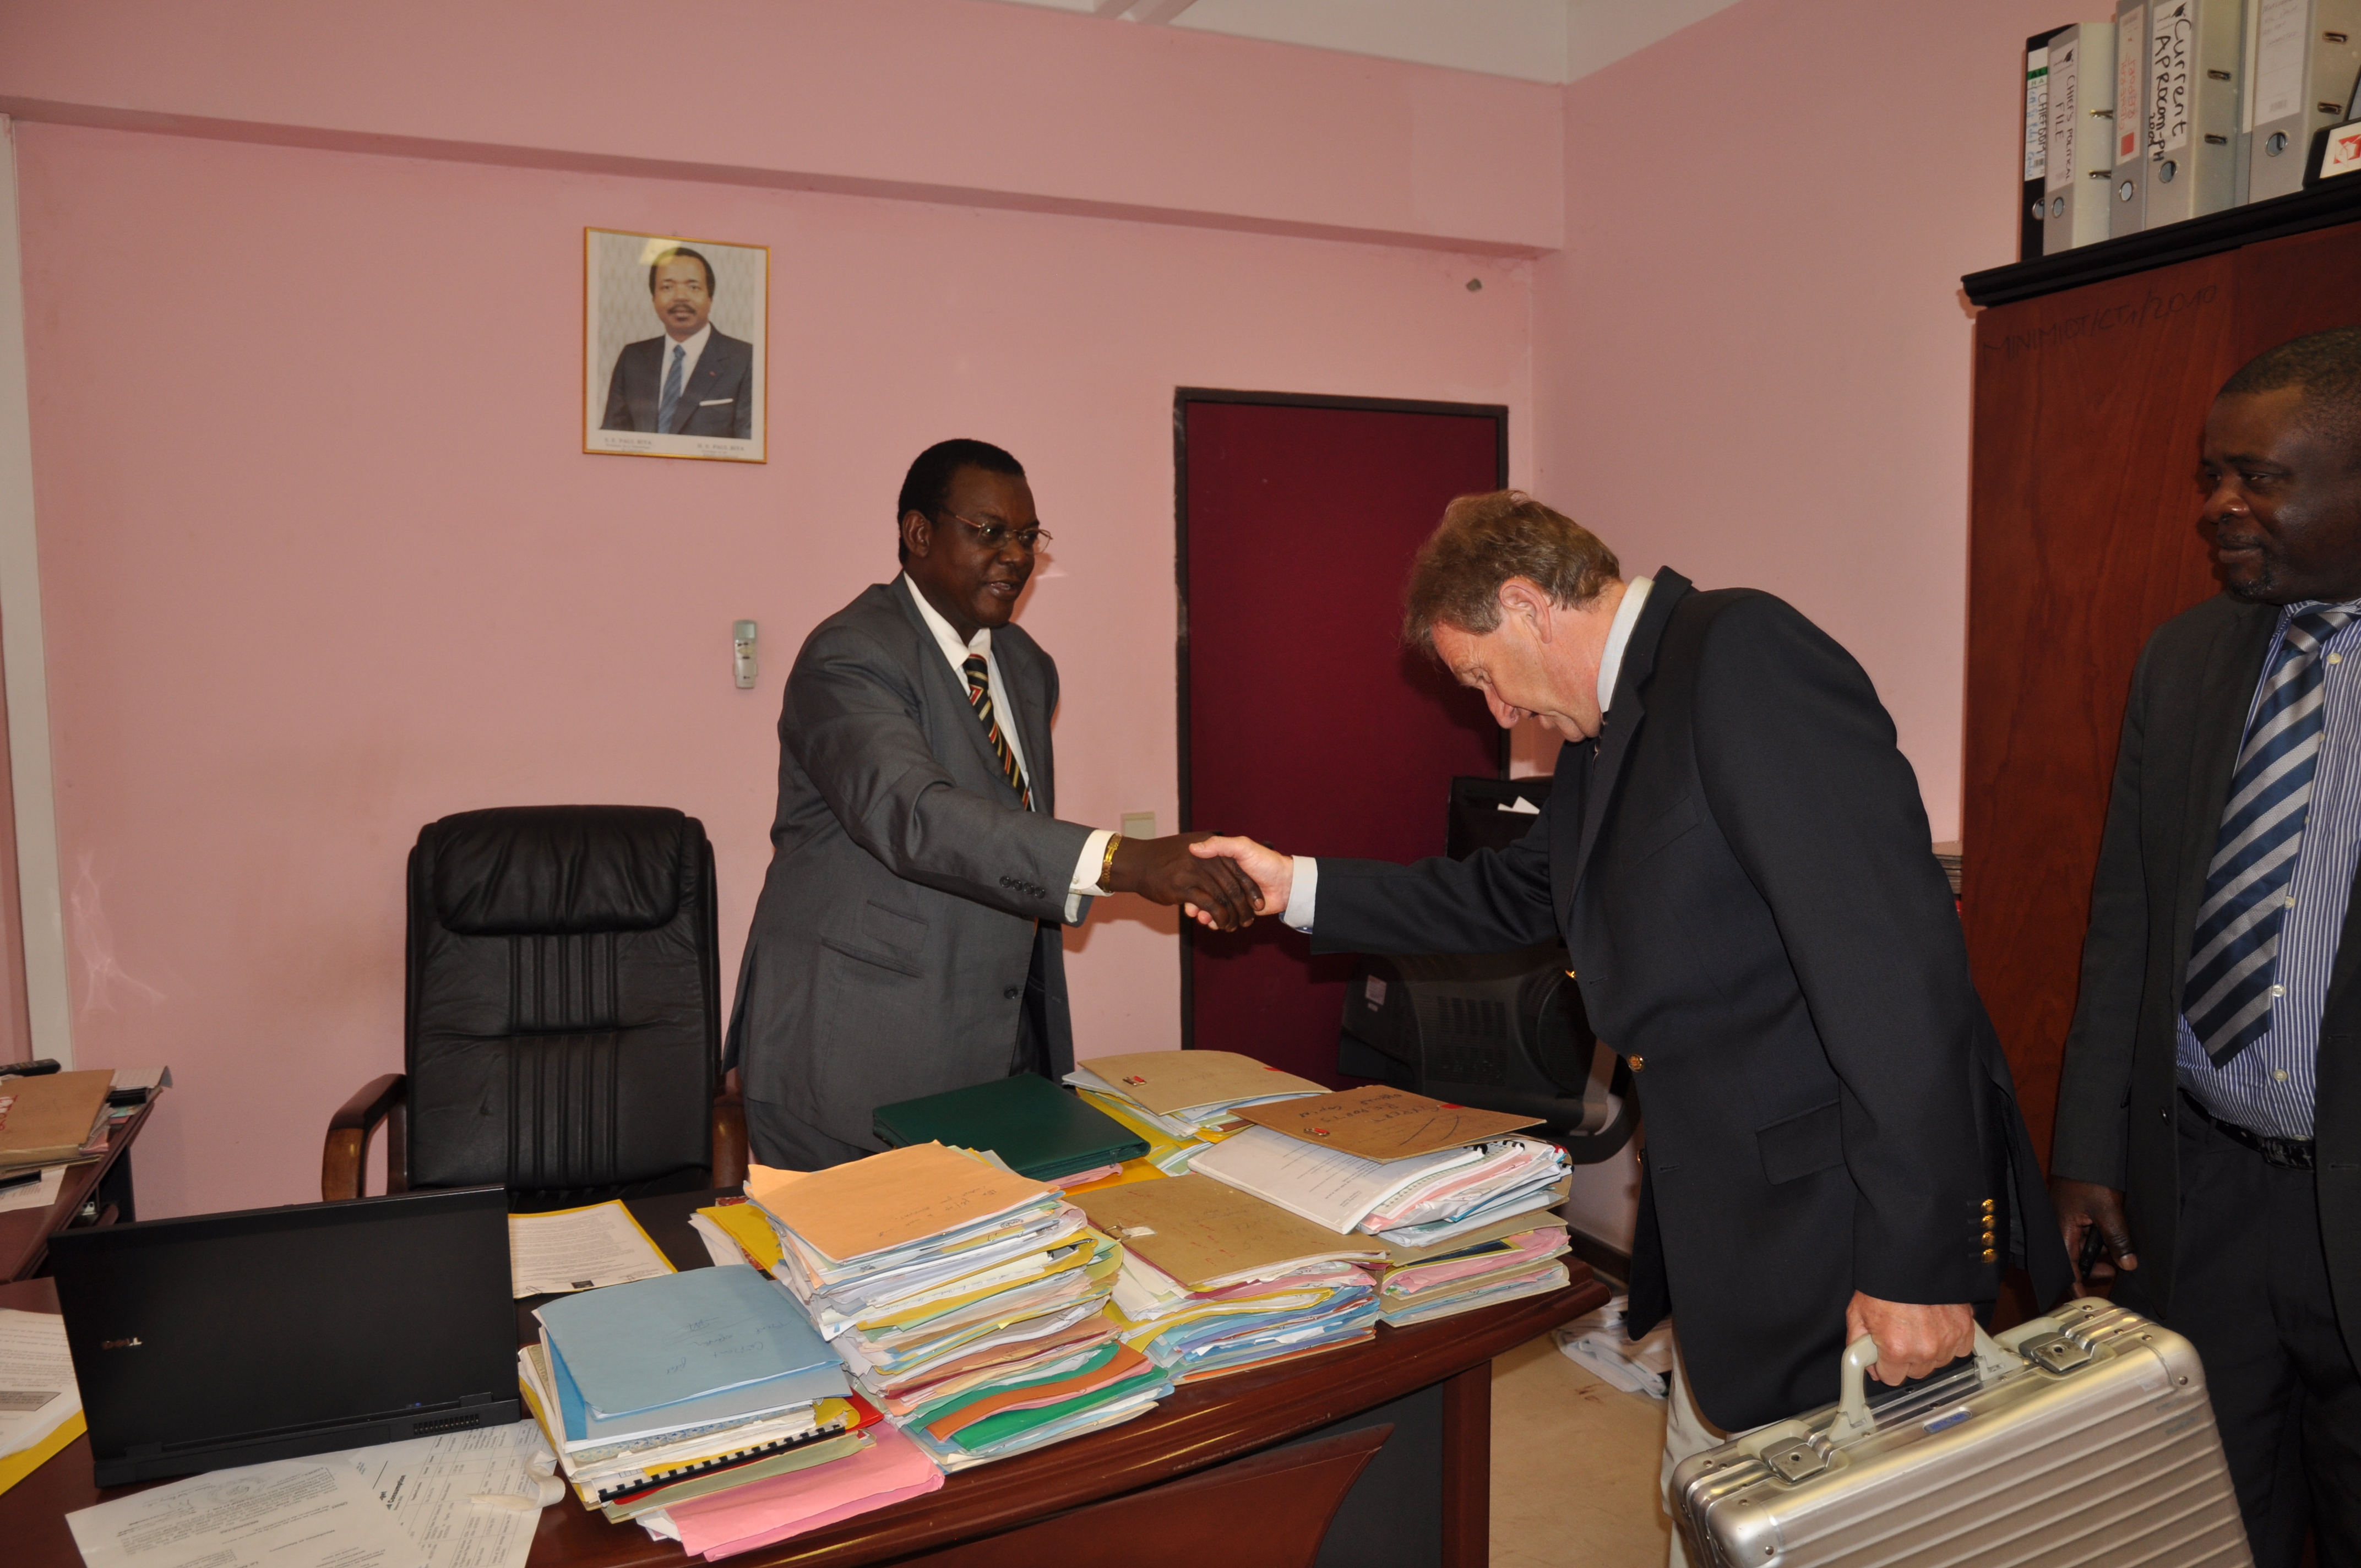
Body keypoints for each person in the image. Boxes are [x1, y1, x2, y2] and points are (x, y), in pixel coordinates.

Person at [1190, 491, 2071, 1562]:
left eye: (1481, 675)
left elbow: (1891, 970)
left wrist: (1919, 1265)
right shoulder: (1606, 735)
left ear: (1527, 604)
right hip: (1731, 1226)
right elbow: (1504, 896)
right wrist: (1290, 886)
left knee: (1850, 1530)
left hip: (1835, 1230)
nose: (1495, 711)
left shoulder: (1741, 656)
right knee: (1721, 1512)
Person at [725, 439, 1260, 1171]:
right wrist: (1128, 861)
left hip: (994, 1053)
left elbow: (1011, 839)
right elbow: (917, 816)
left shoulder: (1025, 666)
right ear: (919, 533)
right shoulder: (850, 654)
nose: (1016, 555)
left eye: (1028, 536)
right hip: (850, 1060)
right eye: (990, 532)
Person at [2052, 329, 2361, 1568]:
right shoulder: (2183, 659)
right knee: (2201, 1524)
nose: (2217, 507)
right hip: (2202, 1193)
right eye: (2210, 476)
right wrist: (2089, 1144)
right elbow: (2123, 917)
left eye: (2258, 478)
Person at [600, 246, 754, 439]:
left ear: (710, 298)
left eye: (693, 287)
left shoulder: (746, 359)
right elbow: (612, 439)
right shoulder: (633, 358)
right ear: (654, 299)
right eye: (667, 287)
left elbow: (749, 446)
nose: (680, 297)